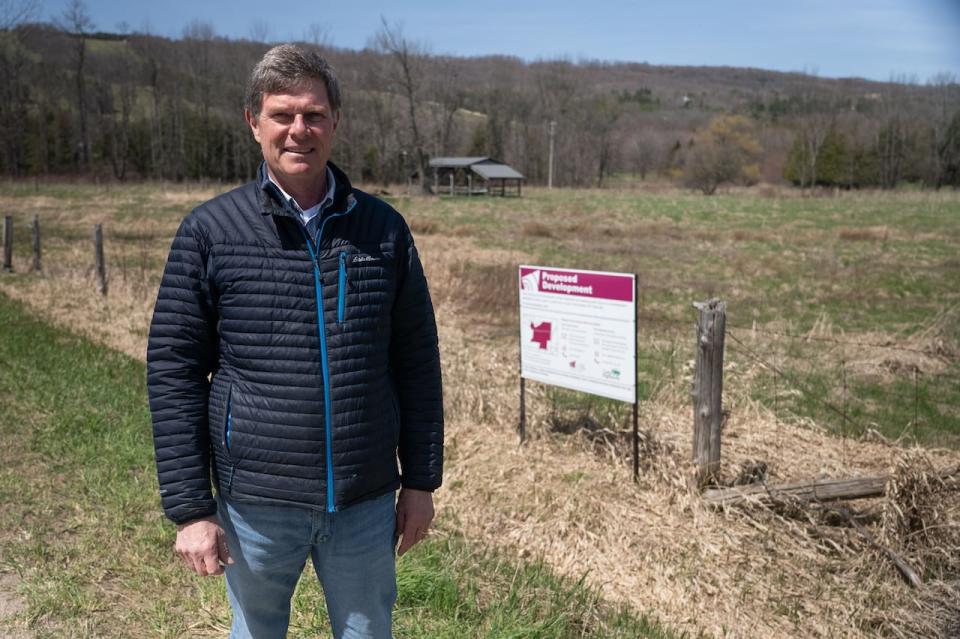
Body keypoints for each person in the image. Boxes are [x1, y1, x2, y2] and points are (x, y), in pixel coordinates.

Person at [146, 43, 443, 639]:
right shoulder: (211, 231)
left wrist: (421, 481)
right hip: (256, 501)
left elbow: (416, 360)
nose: (298, 130)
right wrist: (191, 509)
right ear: (254, 122)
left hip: (364, 498)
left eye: (314, 114)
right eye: (283, 114)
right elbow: (174, 370)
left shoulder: (381, 228)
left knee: (367, 632)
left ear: (336, 122)